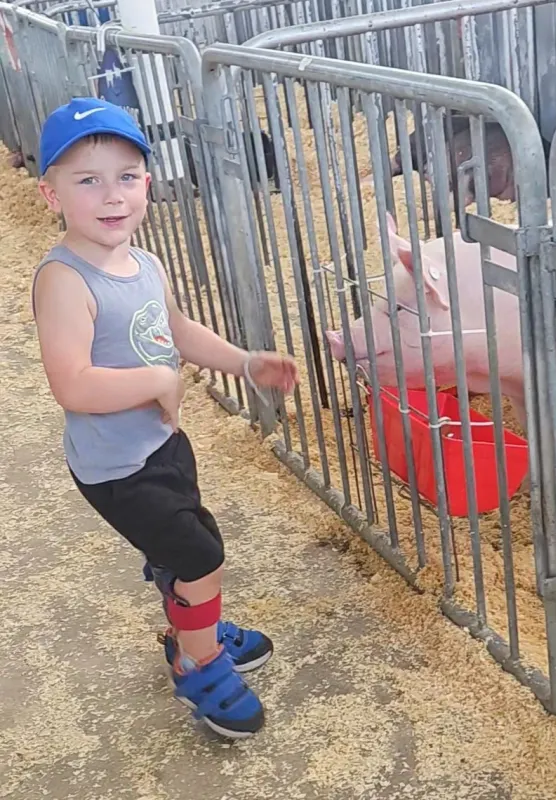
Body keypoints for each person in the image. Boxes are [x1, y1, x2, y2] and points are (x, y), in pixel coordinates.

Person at [31, 96, 299, 740]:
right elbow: (71, 384)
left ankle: (191, 619)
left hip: (159, 445)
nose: (112, 195)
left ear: (148, 183)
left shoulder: (143, 263)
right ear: (50, 195)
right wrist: (158, 379)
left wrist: (242, 360)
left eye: (126, 176)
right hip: (117, 466)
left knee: (183, 545)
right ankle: (197, 661)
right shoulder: (65, 280)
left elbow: (172, 329)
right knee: (202, 556)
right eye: (87, 180)